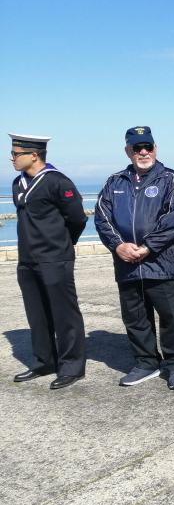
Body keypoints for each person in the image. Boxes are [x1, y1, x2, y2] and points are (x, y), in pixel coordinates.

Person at [94, 126, 174, 390]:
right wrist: (118, 246)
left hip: (163, 263)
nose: (144, 152)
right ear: (128, 151)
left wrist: (148, 246)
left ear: (155, 148)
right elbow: (102, 218)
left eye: (148, 146)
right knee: (135, 317)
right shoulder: (115, 182)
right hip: (127, 264)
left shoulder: (170, 178)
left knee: (171, 316)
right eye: (137, 148)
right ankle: (146, 362)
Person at [9, 133, 88, 389]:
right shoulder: (17, 184)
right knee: (37, 314)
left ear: (34, 155)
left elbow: (77, 218)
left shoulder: (56, 182)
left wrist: (64, 245)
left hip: (54, 258)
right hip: (28, 260)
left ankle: (72, 367)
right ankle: (44, 361)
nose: (11, 158)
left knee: (65, 314)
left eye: (16, 154)